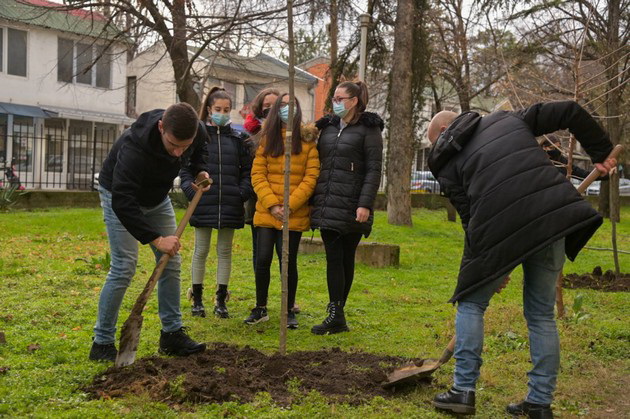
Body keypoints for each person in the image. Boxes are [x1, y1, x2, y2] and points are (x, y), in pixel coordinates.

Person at [426, 101, 616, 417]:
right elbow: (570, 110)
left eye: (436, 141)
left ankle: (463, 391)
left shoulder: (444, 161)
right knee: (542, 314)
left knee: (472, 304)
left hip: (497, 224)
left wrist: (488, 266)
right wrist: (601, 151)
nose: (438, 147)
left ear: (445, 131)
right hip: (551, 216)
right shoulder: (508, 119)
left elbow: (469, 215)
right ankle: (539, 403)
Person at [90, 103, 211, 362]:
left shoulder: (195, 131)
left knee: (171, 262)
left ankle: (172, 334)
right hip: (118, 194)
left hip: (156, 198)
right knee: (124, 267)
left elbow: (199, 150)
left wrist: (199, 170)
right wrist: (157, 239)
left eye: (184, 146)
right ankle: (102, 342)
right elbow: (123, 201)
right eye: (173, 145)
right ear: (160, 128)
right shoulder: (134, 147)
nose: (179, 152)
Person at [309, 80, 384, 335]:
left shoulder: (368, 130)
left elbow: (374, 170)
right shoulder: (328, 128)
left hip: (353, 204)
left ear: (354, 101)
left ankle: (338, 311)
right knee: (333, 258)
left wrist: (365, 204)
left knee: (346, 257)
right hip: (328, 202)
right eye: (334, 99)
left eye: (341, 99)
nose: (336, 103)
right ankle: (335, 312)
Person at [245, 94, 319, 329]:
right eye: (284, 105)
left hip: (293, 213)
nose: (288, 109)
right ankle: (261, 307)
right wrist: (272, 204)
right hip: (267, 211)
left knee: (287, 262)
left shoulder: (308, 142)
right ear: (277, 110)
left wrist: (289, 206)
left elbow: (311, 177)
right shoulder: (267, 140)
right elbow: (258, 174)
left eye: (292, 105)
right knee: (263, 258)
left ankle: (288, 310)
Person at [180, 87, 252, 319]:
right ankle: (197, 297)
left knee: (225, 251)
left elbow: (248, 171)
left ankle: (221, 299)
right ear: (209, 110)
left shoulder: (238, 139)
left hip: (231, 203)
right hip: (204, 202)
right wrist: (192, 193)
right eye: (218, 109)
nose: (223, 113)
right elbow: (186, 169)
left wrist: (242, 193)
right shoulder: (198, 137)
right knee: (201, 249)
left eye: (227, 110)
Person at [243, 88, 280, 271]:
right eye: (267, 106)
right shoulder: (250, 136)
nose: (271, 109)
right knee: (260, 253)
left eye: (275, 105)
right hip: (256, 198)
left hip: (281, 197)